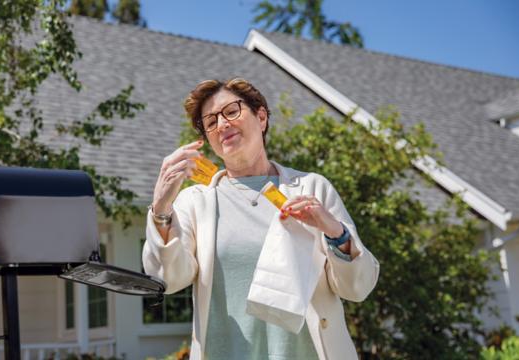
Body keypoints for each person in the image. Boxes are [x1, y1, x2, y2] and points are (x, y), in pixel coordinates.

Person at [142, 78, 379, 359]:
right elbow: (166, 279)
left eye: (231, 111)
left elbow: (357, 287)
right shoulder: (195, 202)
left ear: (262, 116)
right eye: (210, 122)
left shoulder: (313, 188)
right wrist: (160, 208)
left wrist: (334, 230)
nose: (222, 124)